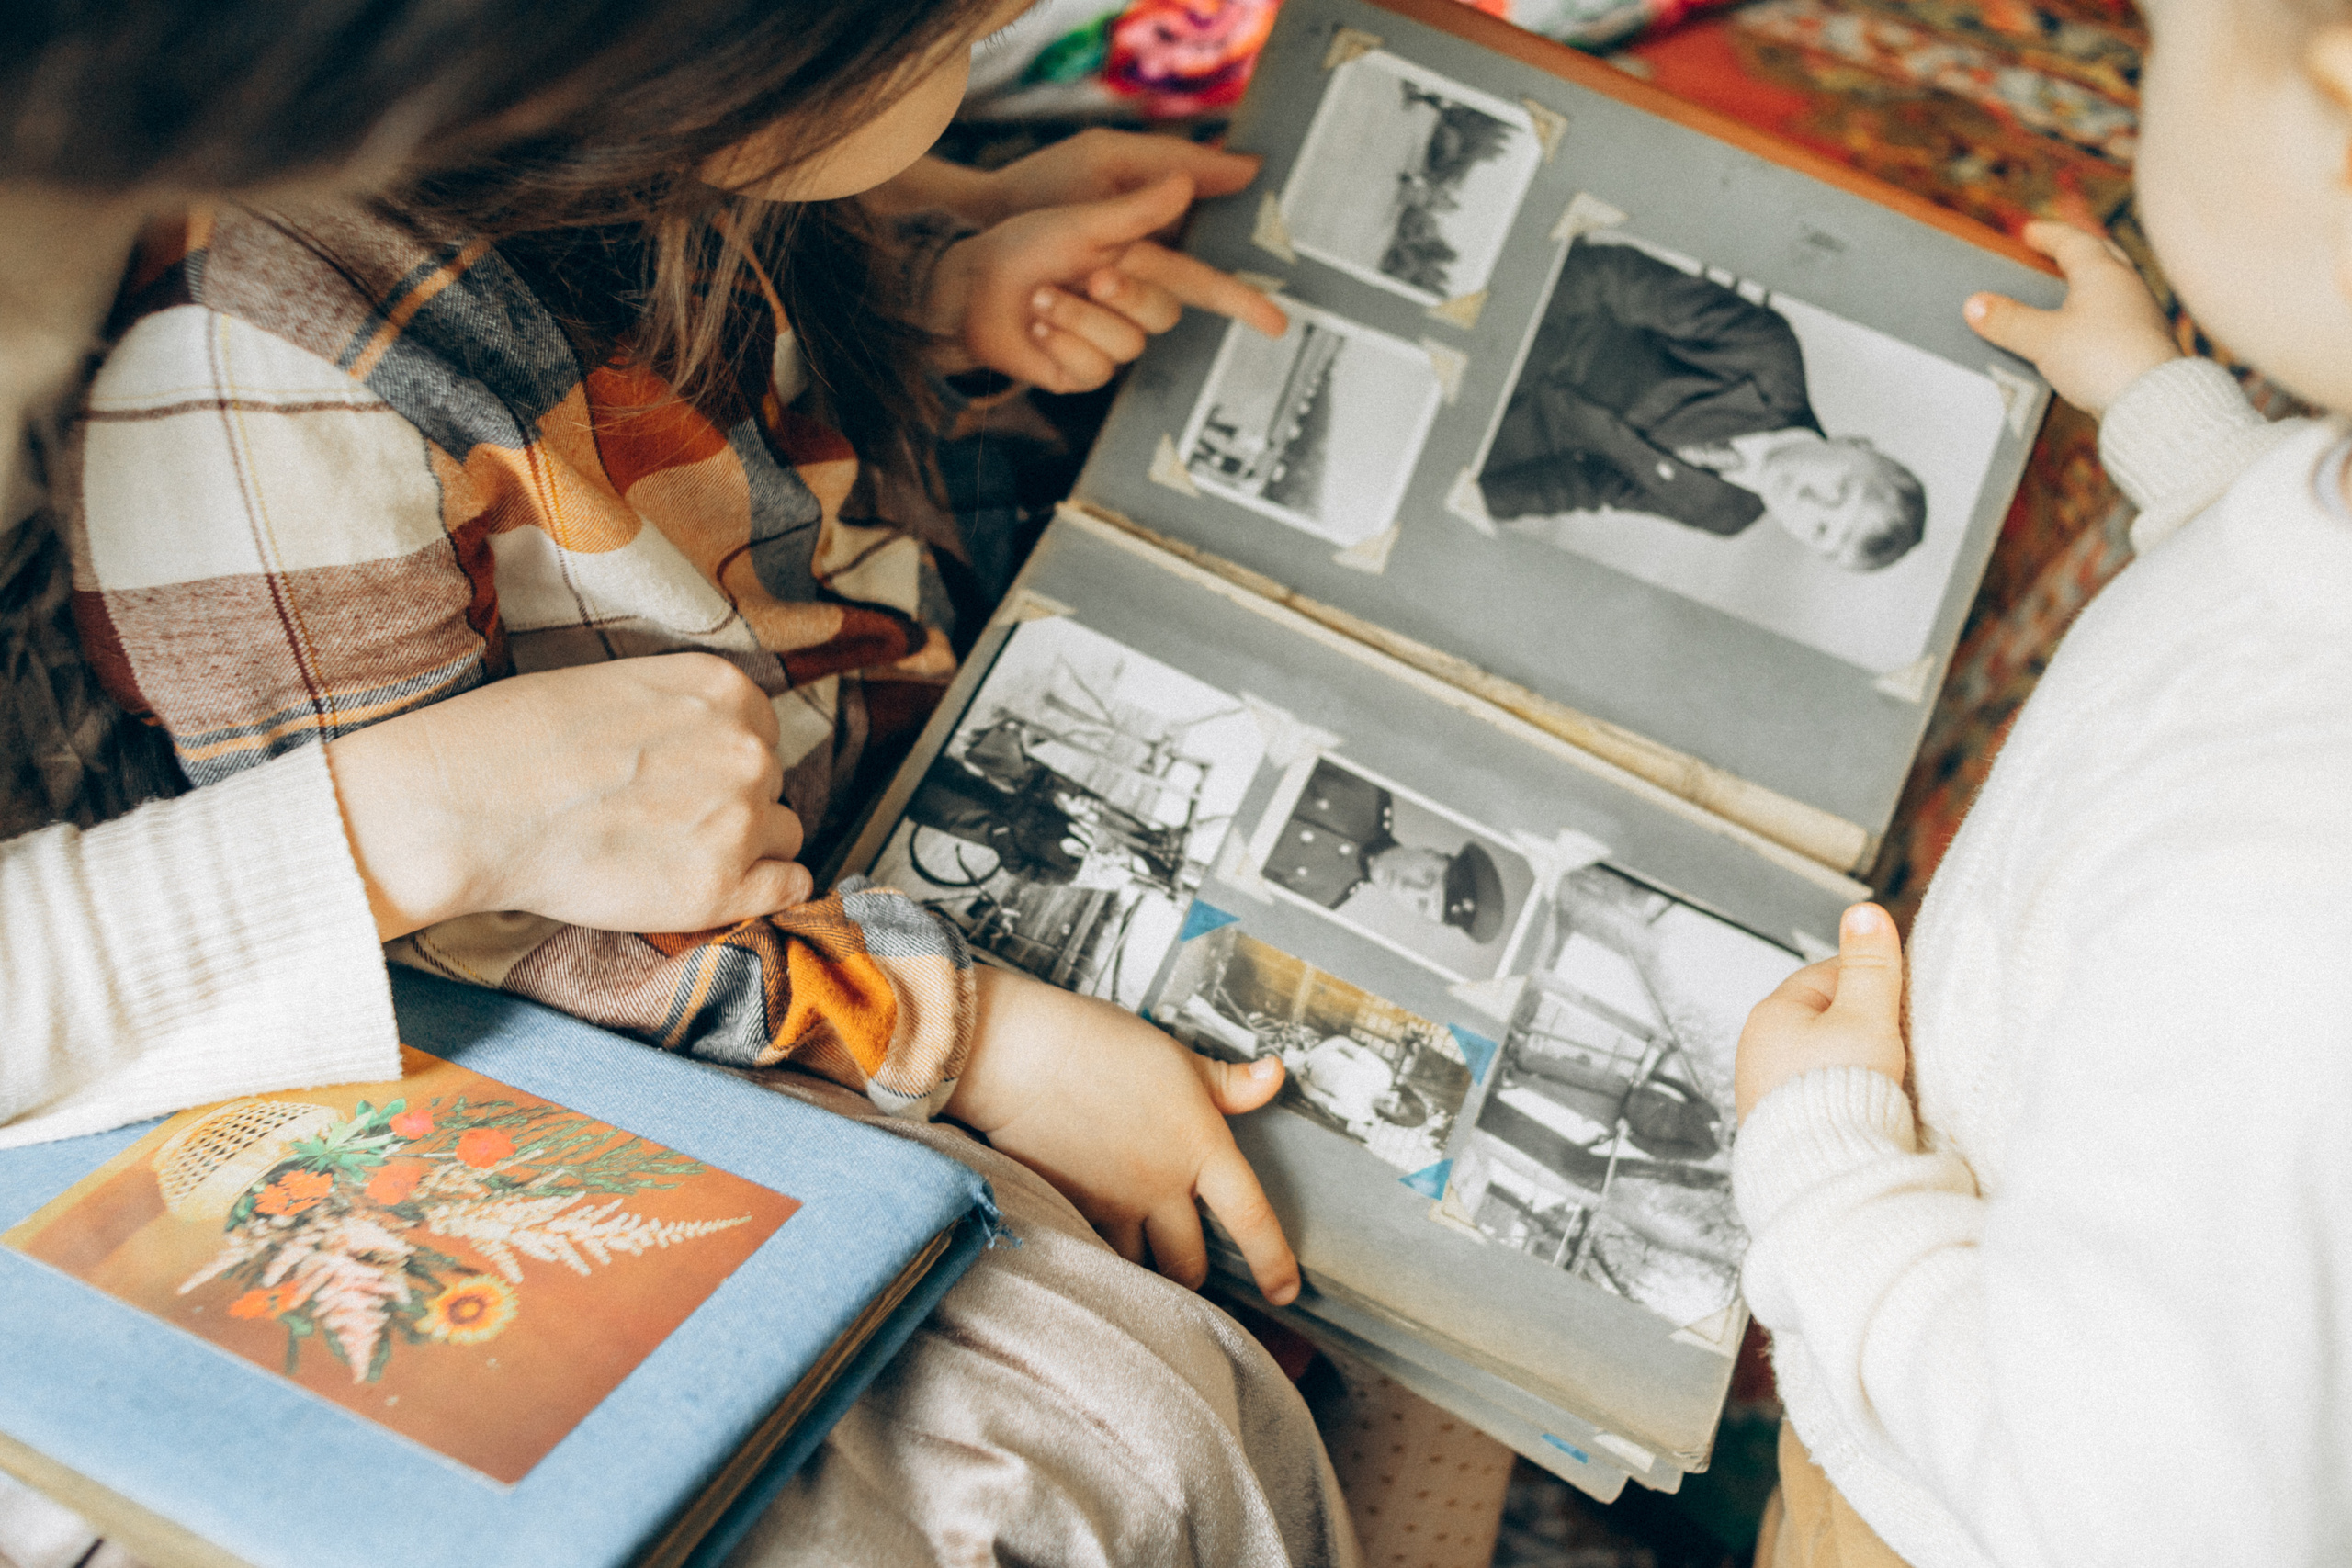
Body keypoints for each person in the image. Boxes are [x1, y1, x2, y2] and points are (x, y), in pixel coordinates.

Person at [1731, 1, 2352, 1563]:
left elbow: (2119, 1513)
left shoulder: (2270, 908)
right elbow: (2285, 570)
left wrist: (1827, 1164)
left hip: (1926, 1502)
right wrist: (2174, 421)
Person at [1477, 239, 1928, 571]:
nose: (1809, 503)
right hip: (1533, 323)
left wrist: (1477, 499)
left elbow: (1594, 486)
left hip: (1512, 434)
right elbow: (1611, 277)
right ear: (1854, 444)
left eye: (1822, 531)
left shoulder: (1725, 514)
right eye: (1842, 489)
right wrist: (1501, 325)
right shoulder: (1769, 356)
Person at [1266, 758, 1505, 941]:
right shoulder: (1368, 787)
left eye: (1422, 904)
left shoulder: (1322, 899)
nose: (1408, 887)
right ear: (1429, 853)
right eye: (1427, 876)